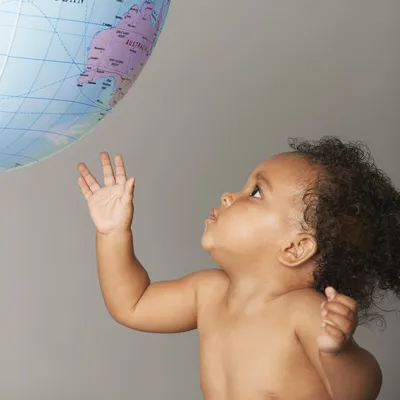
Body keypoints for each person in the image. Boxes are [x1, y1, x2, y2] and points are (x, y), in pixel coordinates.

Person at [77, 136, 400, 399]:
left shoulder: (302, 311)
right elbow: (133, 304)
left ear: (295, 248)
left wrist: (338, 353)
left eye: (256, 192)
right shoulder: (208, 293)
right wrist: (113, 233)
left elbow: (360, 391)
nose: (229, 195)